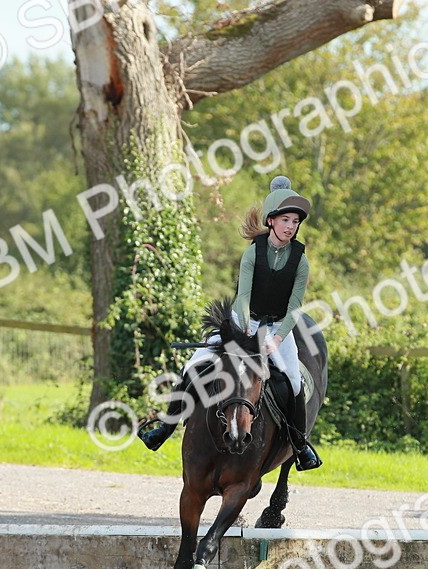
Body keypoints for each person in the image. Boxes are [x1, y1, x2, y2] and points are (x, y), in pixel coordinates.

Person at [137, 175, 322, 471]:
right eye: (285, 219)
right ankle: (165, 428)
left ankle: (299, 446)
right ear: (271, 221)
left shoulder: (300, 260)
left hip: (277, 328)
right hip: (242, 321)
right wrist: (246, 330)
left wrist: (278, 337)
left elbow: (295, 306)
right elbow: (243, 297)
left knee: (294, 383)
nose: (291, 226)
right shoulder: (253, 252)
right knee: (193, 365)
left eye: (295, 222)